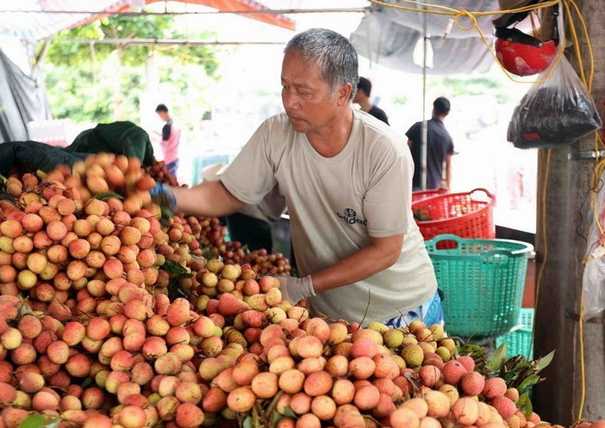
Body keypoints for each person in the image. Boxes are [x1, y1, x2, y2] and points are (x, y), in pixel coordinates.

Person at [162, 28, 441, 327]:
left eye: (303, 92)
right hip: (332, 317)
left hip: (401, 312)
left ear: (342, 93)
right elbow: (228, 194)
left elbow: (386, 251)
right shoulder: (275, 134)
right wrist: (164, 196)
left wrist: (304, 286)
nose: (289, 102)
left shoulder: (383, 150)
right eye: (285, 87)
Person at [406, 97, 456, 192]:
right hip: (434, 188)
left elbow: (406, 152)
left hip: (413, 183)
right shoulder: (447, 137)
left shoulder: (418, 127)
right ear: (447, 113)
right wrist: (448, 188)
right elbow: (448, 167)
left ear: (434, 109)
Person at [155, 103, 181, 175]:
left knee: (170, 179)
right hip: (175, 156)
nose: (160, 117)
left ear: (162, 112)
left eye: (159, 115)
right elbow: (171, 137)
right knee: (173, 178)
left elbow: (164, 144)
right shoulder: (175, 123)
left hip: (169, 159)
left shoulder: (167, 127)